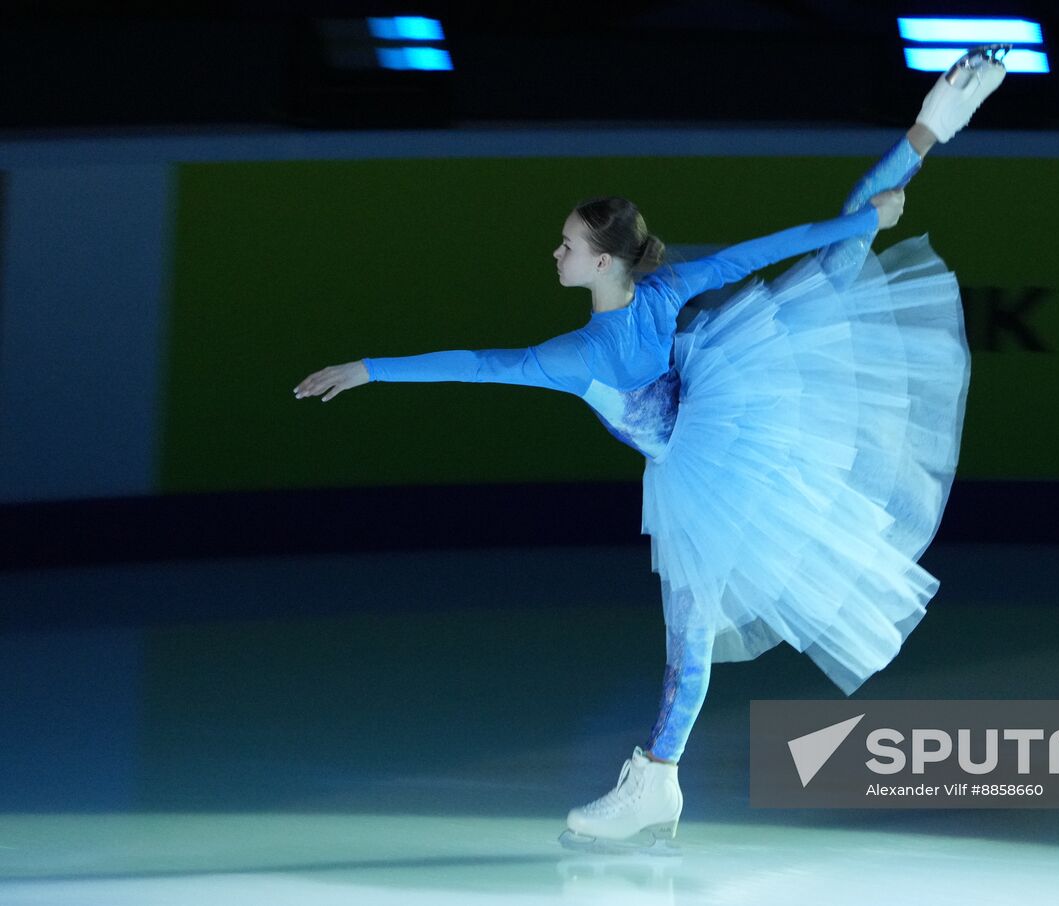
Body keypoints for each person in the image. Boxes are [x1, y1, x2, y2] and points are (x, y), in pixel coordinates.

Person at [294, 46, 1009, 853]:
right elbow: (774, 246)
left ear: (603, 261)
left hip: (710, 455)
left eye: (566, 244)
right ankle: (933, 124)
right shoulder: (661, 290)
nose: (555, 253)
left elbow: (483, 365)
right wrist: (862, 223)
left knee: (691, 637)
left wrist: (370, 369)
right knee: (836, 262)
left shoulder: (577, 356)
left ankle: (657, 783)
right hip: (726, 419)